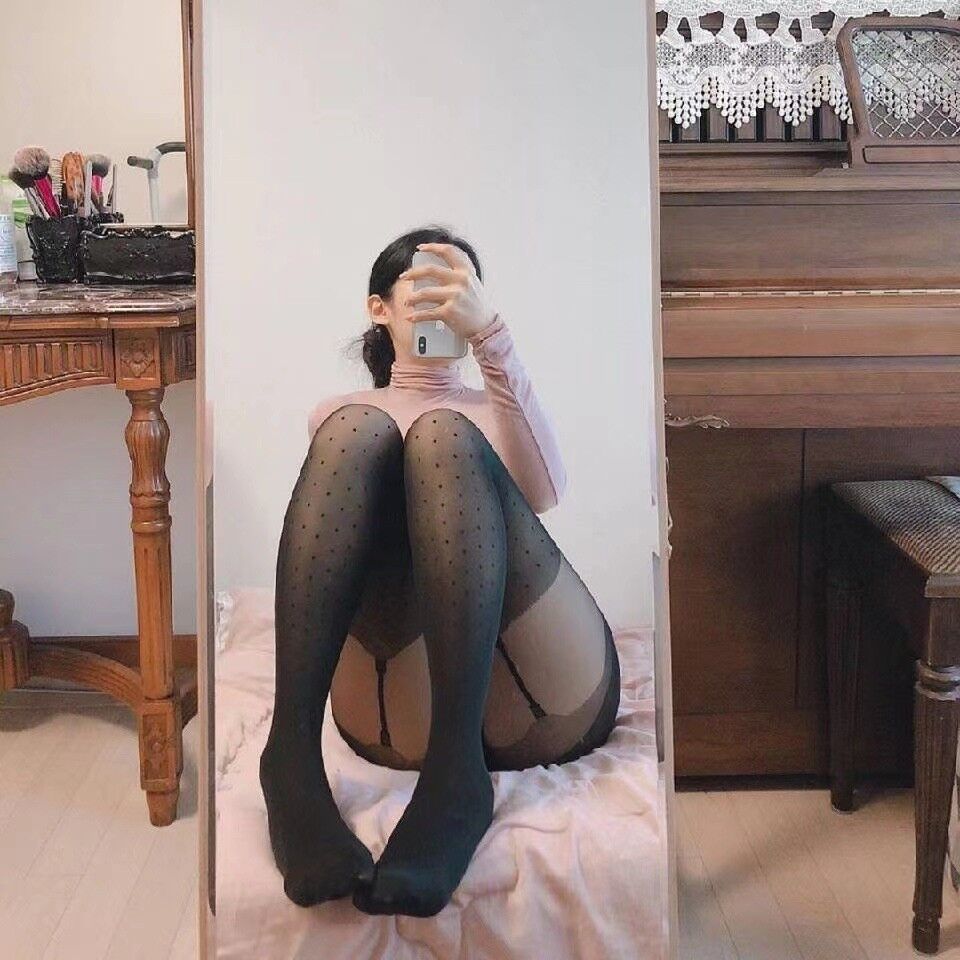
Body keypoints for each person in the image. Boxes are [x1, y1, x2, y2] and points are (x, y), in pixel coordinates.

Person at [259, 225, 620, 918]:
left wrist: (492, 340)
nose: (442, 309)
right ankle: (290, 755)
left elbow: (544, 494)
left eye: (459, 294)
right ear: (379, 310)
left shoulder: (496, 408)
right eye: (425, 293)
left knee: (444, 437)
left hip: (538, 691)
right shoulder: (338, 422)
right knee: (358, 429)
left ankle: (458, 776)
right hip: (398, 706)